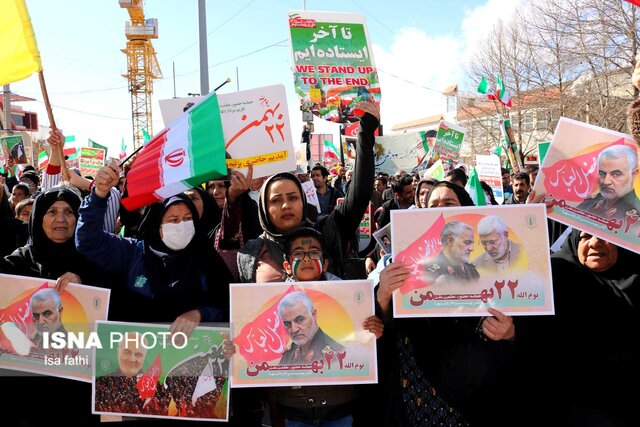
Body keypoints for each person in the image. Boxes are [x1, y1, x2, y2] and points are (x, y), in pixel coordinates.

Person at [375, 179, 517, 426]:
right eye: (432, 204)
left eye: (448, 203)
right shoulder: (412, 265)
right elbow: (385, 324)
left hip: (472, 391)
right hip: (418, 389)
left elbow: (515, 317)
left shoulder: (480, 269)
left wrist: (510, 333)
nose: (439, 209)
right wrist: (384, 296)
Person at [76, 161, 232, 329]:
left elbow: (228, 305)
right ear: (157, 225)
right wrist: (99, 194)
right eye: (173, 220)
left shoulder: (204, 256)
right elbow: (88, 242)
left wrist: (201, 314)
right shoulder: (134, 253)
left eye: (187, 218)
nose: (182, 225)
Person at [237, 101, 380, 283]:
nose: (286, 205)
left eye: (293, 197)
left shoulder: (326, 233)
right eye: (276, 200)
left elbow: (359, 196)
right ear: (264, 208)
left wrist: (365, 132)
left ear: (304, 202)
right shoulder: (251, 252)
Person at [515, 230, 639, 426]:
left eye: (606, 236)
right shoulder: (553, 279)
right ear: (574, 242)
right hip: (562, 400)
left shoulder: (636, 283)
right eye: (585, 236)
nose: (595, 243)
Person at [278, 291, 345, 365]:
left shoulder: (334, 355)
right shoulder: (291, 351)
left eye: (299, 320)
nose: (294, 329)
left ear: (314, 315)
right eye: (287, 324)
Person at [576, 144, 640, 220]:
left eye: (616, 174)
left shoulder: (635, 216)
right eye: (602, 174)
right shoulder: (591, 202)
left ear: (633, 175)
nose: (606, 182)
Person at [422, 221, 480, 286]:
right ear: (451, 241)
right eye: (467, 242)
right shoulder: (432, 272)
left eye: (472, 243)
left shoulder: (471, 271)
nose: (472, 249)